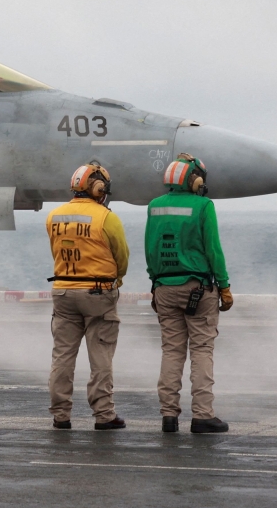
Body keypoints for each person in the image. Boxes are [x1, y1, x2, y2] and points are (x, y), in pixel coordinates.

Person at [145, 153, 233, 434]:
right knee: (201, 350)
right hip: (198, 289)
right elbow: (213, 250)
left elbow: (151, 249)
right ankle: (202, 416)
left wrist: (155, 282)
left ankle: (169, 416)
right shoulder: (203, 205)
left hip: (163, 287)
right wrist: (225, 286)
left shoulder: (155, 206)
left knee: (171, 351)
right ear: (194, 180)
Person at [45, 163, 129, 430]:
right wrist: (117, 279)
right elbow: (121, 257)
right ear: (98, 188)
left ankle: (60, 415)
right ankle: (104, 415)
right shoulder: (107, 217)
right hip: (98, 293)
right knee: (100, 355)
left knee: (62, 356)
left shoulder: (54, 216)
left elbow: (55, 251)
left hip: (63, 290)